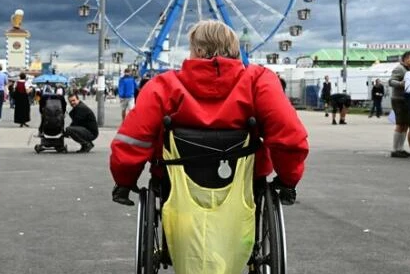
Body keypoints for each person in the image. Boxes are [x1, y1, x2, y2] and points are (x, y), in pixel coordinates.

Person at [110, 20, 308, 207]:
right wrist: (288, 179)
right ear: (235, 48)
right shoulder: (259, 81)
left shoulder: (163, 85)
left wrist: (124, 180)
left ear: (196, 49)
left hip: (174, 182)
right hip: (246, 183)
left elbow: (133, 139)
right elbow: (288, 135)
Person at [389, 51, 410, 158]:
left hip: (406, 99)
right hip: (398, 99)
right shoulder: (399, 68)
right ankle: (395, 149)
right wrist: (401, 84)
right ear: (405, 59)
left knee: (405, 124)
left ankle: (401, 148)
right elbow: (391, 81)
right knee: (400, 124)